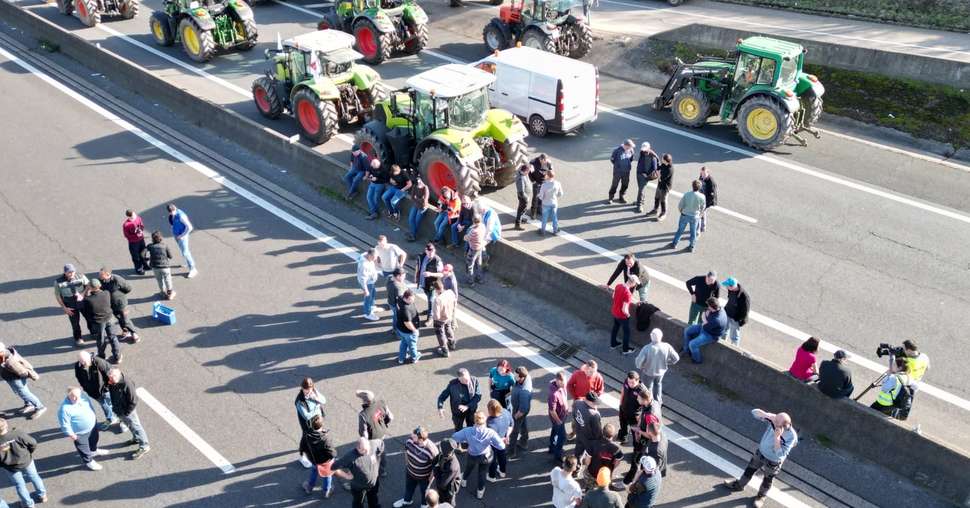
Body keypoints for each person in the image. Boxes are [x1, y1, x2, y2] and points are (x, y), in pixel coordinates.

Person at [723, 409, 798, 507]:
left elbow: (780, 453)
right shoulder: (774, 419)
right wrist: (766, 415)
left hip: (773, 461)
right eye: (775, 420)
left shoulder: (791, 436)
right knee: (749, 469)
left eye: (776, 422)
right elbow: (754, 412)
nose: (773, 423)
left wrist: (777, 437)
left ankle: (761, 496)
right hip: (761, 453)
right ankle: (739, 485)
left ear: (784, 426)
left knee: (767, 480)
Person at [452, 411, 505, 500]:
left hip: (472, 454)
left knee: (468, 468)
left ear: (474, 420)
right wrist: (493, 442)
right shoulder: (490, 432)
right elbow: (501, 446)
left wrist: (466, 440)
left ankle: (464, 481)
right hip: (485, 456)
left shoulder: (467, 431)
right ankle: (480, 492)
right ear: (485, 421)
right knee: (482, 473)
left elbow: (455, 436)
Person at [0, 418, 47, 506]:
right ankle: (42, 495)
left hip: (11, 467)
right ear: (6, 425)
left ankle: (28, 504)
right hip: (26, 461)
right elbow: (33, 443)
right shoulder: (17, 434)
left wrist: (3, 464)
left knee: (19, 485)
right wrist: (29, 453)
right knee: (34, 477)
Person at [105, 368, 150, 459]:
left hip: (127, 412)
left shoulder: (127, 383)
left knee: (136, 427)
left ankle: (144, 446)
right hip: (119, 410)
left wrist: (127, 412)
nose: (110, 381)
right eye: (109, 378)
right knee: (130, 426)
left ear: (117, 376)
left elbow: (133, 401)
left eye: (112, 379)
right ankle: (136, 439)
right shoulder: (112, 381)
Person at [58, 386, 105, 470]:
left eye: (78, 396)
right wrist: (72, 435)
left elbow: (90, 406)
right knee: (84, 448)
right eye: (74, 396)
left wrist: (93, 417)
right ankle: (89, 461)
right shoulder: (64, 409)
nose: (76, 398)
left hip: (92, 426)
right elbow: (65, 425)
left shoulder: (83, 396)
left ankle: (94, 451)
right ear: (68, 395)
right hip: (80, 433)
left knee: (94, 440)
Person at [393, 427, 439, 507]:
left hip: (424, 478)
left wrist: (430, 480)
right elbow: (406, 451)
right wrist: (407, 464)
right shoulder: (409, 441)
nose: (411, 437)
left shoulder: (432, 451)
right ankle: (407, 500)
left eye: (414, 436)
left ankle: (424, 505)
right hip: (410, 472)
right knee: (409, 488)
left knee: (424, 492)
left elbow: (434, 468)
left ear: (421, 440)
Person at [80, 279, 123, 364]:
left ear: (91, 288)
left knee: (101, 339)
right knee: (113, 337)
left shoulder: (88, 300)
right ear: (99, 286)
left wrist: (86, 290)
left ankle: (101, 356)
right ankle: (117, 357)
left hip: (99, 322)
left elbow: (86, 312)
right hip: (110, 318)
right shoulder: (106, 293)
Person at [623, 393, 662, 485]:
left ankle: (628, 481)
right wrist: (639, 425)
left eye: (639, 399)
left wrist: (638, 430)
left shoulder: (650, 416)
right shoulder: (653, 403)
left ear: (645, 400)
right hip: (644, 435)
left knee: (636, 460)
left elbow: (651, 435)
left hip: (646, 441)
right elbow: (643, 415)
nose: (637, 400)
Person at [333, 437, 383, 508]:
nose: (367, 452)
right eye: (363, 450)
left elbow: (381, 443)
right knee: (358, 502)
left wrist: (378, 457)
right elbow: (332, 467)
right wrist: (346, 476)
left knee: (373, 497)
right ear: (357, 448)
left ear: (368, 443)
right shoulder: (350, 456)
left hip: (373, 483)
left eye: (367, 448)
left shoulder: (373, 444)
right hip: (359, 487)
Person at [634, 329, 680, 404]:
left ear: (651, 337)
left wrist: (641, 366)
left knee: (647, 388)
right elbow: (676, 358)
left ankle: (649, 403)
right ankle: (658, 401)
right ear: (661, 337)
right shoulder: (667, 346)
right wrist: (667, 362)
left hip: (648, 372)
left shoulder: (647, 348)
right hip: (661, 372)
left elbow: (639, 362)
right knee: (658, 384)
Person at [0, 345, 46, 420]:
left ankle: (40, 407)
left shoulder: (9, 361)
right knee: (21, 393)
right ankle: (29, 404)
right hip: (10, 378)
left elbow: (23, 372)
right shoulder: (3, 357)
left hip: (16, 380)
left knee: (25, 393)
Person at [356, 390, 393, 477]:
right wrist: (384, 424)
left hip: (373, 438)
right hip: (383, 432)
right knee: (382, 451)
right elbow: (390, 416)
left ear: (364, 401)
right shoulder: (381, 403)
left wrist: (365, 442)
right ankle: (383, 470)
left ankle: (374, 472)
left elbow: (364, 433)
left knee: (372, 455)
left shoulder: (363, 415)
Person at [74, 351, 115, 429]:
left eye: (85, 361)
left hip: (105, 390)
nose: (83, 363)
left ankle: (122, 420)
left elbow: (110, 373)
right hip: (94, 393)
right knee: (104, 405)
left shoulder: (98, 362)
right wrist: (86, 389)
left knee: (114, 404)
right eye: (81, 361)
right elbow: (79, 378)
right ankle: (110, 418)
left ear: (89, 357)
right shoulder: (77, 366)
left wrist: (107, 387)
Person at [98, 267, 138, 343]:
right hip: (110, 304)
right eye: (99, 274)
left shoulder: (117, 279)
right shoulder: (101, 280)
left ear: (108, 274)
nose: (99, 276)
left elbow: (128, 288)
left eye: (101, 274)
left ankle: (134, 333)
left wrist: (119, 296)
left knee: (125, 319)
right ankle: (125, 331)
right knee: (119, 318)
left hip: (121, 304)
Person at [300, 414, 337, 498]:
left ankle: (309, 487)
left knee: (314, 471)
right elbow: (333, 453)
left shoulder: (306, 434)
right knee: (327, 475)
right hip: (325, 462)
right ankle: (327, 491)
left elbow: (302, 445)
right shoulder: (325, 438)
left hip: (313, 460)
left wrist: (302, 452)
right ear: (321, 425)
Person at [682, 297, 727, 364]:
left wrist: (703, 318)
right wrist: (706, 315)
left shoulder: (717, 320)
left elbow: (705, 327)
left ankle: (697, 360)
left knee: (692, 344)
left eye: (708, 306)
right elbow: (706, 313)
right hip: (707, 326)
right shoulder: (719, 308)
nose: (707, 307)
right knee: (687, 330)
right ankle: (686, 349)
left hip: (711, 334)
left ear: (712, 307)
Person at [54, 263, 90, 345]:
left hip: (82, 301)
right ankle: (78, 338)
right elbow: (58, 296)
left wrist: (83, 294)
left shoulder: (80, 276)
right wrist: (64, 308)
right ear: (65, 272)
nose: (71, 274)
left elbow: (88, 284)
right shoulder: (58, 282)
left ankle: (93, 332)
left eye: (73, 272)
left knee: (89, 317)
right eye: (69, 272)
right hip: (70, 305)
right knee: (75, 323)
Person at [666, 179, 706, 252]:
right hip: (695, 216)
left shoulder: (687, 194)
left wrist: (681, 211)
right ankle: (691, 246)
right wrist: (699, 215)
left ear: (692, 186)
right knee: (693, 232)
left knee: (680, 230)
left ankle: (674, 244)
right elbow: (703, 208)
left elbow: (680, 205)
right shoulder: (702, 196)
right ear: (700, 187)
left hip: (685, 215)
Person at [583, 423, 622, 488]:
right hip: (606, 474)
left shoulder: (593, 444)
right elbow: (617, 463)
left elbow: (588, 460)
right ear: (613, 435)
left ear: (602, 432)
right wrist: (611, 469)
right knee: (604, 485)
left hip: (592, 472)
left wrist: (587, 467)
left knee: (586, 474)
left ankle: (591, 487)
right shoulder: (617, 448)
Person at [609, 276, 639, 355]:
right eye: (635, 284)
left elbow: (613, 296)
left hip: (614, 312)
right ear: (632, 283)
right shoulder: (628, 294)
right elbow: (624, 309)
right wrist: (628, 315)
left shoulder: (618, 285)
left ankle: (613, 344)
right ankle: (625, 350)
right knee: (626, 333)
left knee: (615, 328)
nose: (635, 285)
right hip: (622, 316)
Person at [166, 203, 197, 278]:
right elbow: (173, 223)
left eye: (173, 211)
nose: (172, 213)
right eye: (170, 212)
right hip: (177, 235)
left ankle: (193, 269)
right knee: (183, 251)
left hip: (182, 237)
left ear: (175, 208)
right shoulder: (171, 215)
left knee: (185, 252)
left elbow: (190, 227)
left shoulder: (181, 216)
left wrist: (182, 235)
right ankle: (187, 262)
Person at [486, 399, 513, 481]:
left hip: (493, 444)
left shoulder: (490, 422)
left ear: (490, 410)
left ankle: (492, 476)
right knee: (502, 457)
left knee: (493, 460)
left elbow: (489, 437)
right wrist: (507, 436)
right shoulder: (505, 412)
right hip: (503, 442)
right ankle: (502, 472)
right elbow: (511, 425)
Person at [144, 231, 175, 300]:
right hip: (165, 266)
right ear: (161, 238)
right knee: (168, 279)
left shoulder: (150, 246)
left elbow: (142, 254)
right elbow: (170, 256)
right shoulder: (165, 245)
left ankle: (162, 293)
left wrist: (147, 259)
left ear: (152, 239)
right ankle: (170, 294)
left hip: (155, 267)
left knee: (159, 280)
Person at [571, 392, 602, 462]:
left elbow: (574, 415)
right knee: (592, 455)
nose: (596, 404)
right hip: (590, 439)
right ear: (587, 401)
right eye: (594, 403)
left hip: (579, 433)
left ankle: (576, 468)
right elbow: (597, 432)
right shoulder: (594, 415)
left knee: (578, 453)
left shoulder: (577, 402)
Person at [508, 366, 532, 456]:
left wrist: (514, 417)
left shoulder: (524, 392)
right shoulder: (527, 377)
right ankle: (524, 441)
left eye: (517, 377)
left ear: (522, 377)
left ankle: (511, 452)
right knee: (523, 423)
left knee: (514, 431)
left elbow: (522, 409)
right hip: (521, 408)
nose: (515, 377)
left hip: (519, 411)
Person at [430, 438, 462, 506]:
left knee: (448, 503)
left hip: (449, 488)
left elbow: (442, 484)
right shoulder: (443, 454)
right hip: (444, 479)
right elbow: (434, 461)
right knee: (441, 500)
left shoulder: (452, 466)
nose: (439, 447)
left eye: (440, 446)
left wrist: (436, 469)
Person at [415, 243, 443, 319]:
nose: (431, 253)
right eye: (429, 251)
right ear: (426, 251)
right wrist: (416, 277)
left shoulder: (437, 260)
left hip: (431, 284)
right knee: (428, 297)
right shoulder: (421, 256)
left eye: (432, 251)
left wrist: (430, 274)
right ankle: (431, 309)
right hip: (423, 282)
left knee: (430, 299)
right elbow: (418, 266)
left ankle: (430, 315)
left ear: (435, 251)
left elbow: (441, 274)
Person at [721, 277, 750, 347]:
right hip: (727, 313)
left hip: (736, 318)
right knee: (724, 330)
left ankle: (734, 348)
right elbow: (730, 301)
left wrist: (737, 319)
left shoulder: (744, 296)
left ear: (732, 286)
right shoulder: (731, 290)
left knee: (734, 336)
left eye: (727, 286)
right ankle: (722, 344)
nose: (726, 287)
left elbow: (745, 311)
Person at [431, 281, 457, 356]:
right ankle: (452, 343)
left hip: (440, 320)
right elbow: (455, 302)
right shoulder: (450, 292)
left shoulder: (437, 299)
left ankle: (445, 350)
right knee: (448, 328)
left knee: (440, 334)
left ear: (436, 289)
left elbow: (436, 315)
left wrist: (434, 319)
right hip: (449, 316)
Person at [395, 290, 422, 364]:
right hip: (408, 331)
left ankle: (401, 358)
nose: (412, 301)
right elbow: (407, 323)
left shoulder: (400, 299)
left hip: (401, 329)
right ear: (406, 298)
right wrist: (414, 330)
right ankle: (414, 357)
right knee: (412, 345)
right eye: (411, 300)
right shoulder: (405, 309)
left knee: (404, 343)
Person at [548, 371, 568, 462]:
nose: (565, 384)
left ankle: (552, 447)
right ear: (557, 381)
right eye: (563, 382)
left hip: (562, 416)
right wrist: (559, 421)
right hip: (558, 419)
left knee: (554, 431)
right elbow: (552, 410)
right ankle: (558, 455)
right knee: (562, 436)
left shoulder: (561, 387)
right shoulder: (553, 394)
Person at [645, 153, 673, 220]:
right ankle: (655, 210)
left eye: (662, 158)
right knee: (657, 197)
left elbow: (661, 178)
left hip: (665, 187)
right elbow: (658, 168)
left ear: (665, 160)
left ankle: (663, 213)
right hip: (660, 185)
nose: (661, 159)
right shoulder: (664, 164)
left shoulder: (670, 169)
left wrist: (657, 174)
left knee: (663, 201)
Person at [634, 142, 659, 214]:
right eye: (643, 149)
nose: (644, 151)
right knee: (641, 189)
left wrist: (647, 175)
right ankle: (641, 201)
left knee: (641, 190)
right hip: (639, 173)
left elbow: (654, 168)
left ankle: (639, 205)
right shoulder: (642, 152)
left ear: (649, 148)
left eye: (645, 149)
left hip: (644, 176)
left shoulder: (653, 157)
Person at [616, 372, 641, 444]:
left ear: (637, 381)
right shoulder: (626, 381)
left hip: (634, 415)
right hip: (623, 409)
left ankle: (636, 448)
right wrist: (620, 404)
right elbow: (623, 391)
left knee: (634, 431)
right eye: (629, 382)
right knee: (623, 424)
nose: (630, 384)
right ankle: (622, 437)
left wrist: (639, 417)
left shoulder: (641, 390)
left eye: (632, 383)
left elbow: (644, 404)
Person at [607, 139, 635, 204]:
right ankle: (611, 197)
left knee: (625, 184)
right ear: (626, 145)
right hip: (618, 171)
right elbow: (612, 160)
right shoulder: (617, 150)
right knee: (614, 184)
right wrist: (618, 166)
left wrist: (627, 165)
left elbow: (631, 159)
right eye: (630, 146)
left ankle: (621, 197)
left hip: (626, 171)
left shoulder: (631, 150)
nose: (631, 148)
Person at [357, 249, 381, 321]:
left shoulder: (365, 254)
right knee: (368, 297)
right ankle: (368, 313)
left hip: (371, 281)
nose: (375, 259)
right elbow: (362, 279)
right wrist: (365, 290)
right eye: (374, 257)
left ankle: (372, 306)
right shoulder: (364, 265)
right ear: (369, 255)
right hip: (367, 283)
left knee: (373, 293)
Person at [122, 209, 148, 275]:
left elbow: (142, 226)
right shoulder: (126, 225)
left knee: (143, 253)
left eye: (134, 214)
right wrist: (135, 235)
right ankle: (139, 268)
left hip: (141, 240)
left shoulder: (138, 218)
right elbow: (126, 235)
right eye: (133, 215)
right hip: (133, 243)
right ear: (129, 217)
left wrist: (141, 230)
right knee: (136, 257)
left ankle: (145, 265)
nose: (135, 216)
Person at [406, 176, 432, 242]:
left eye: (420, 181)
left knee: (417, 221)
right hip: (416, 205)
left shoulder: (425, 188)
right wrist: (419, 199)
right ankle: (413, 234)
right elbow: (412, 197)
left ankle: (413, 235)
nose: (419, 183)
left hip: (423, 207)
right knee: (411, 219)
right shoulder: (415, 186)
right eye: (418, 181)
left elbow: (425, 200)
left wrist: (416, 198)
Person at [538, 170, 564, 235]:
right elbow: (560, 194)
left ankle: (543, 231)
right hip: (554, 202)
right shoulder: (558, 183)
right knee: (554, 217)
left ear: (547, 176)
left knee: (544, 218)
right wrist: (555, 196)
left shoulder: (544, 185)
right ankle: (555, 230)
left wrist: (538, 196)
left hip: (546, 203)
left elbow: (541, 196)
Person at [464, 216, 487, 285]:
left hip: (473, 249)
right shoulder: (483, 226)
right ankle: (479, 278)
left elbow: (466, 238)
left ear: (473, 222)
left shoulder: (473, 231)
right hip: (480, 248)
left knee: (470, 265)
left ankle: (471, 281)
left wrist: (468, 233)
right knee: (479, 263)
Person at [529, 154, 552, 219]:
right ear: (540, 159)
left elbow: (550, 171)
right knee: (535, 198)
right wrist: (533, 181)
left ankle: (539, 209)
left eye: (545, 160)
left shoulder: (548, 162)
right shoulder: (533, 163)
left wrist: (548, 179)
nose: (545, 162)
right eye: (543, 161)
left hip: (544, 182)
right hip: (536, 182)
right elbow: (530, 173)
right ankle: (533, 212)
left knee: (542, 197)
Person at [386, 268, 407, 335]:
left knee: (395, 316)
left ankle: (394, 328)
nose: (405, 277)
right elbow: (400, 299)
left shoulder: (389, 278)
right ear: (398, 276)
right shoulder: (398, 287)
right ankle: (397, 330)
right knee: (397, 317)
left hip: (390, 302)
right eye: (403, 275)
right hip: (396, 305)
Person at [698, 166, 717, 233]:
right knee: (702, 213)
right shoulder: (701, 177)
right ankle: (701, 225)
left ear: (708, 173)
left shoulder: (711, 182)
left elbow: (712, 195)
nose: (702, 175)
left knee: (702, 212)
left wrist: (706, 204)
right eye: (701, 173)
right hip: (701, 197)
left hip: (706, 200)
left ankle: (702, 226)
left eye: (704, 173)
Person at [514, 164, 532, 229]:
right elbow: (521, 192)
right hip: (523, 197)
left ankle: (521, 218)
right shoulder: (521, 179)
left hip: (525, 196)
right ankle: (517, 224)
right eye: (528, 171)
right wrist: (526, 198)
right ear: (525, 171)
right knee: (521, 210)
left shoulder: (523, 174)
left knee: (523, 209)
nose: (529, 172)